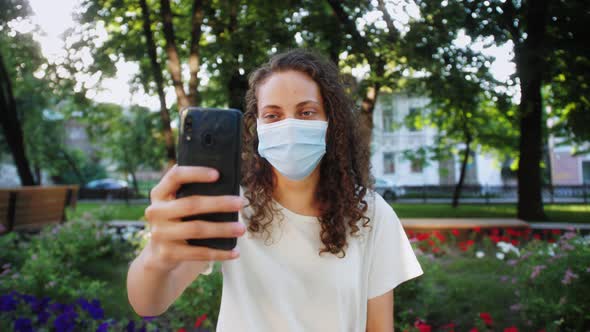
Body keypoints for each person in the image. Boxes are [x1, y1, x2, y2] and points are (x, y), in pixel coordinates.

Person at [127, 48, 423, 331]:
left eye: (306, 112)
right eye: (273, 115)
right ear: (257, 127)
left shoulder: (371, 214)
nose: (290, 125)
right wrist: (157, 254)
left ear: (332, 123)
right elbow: (149, 303)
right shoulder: (229, 208)